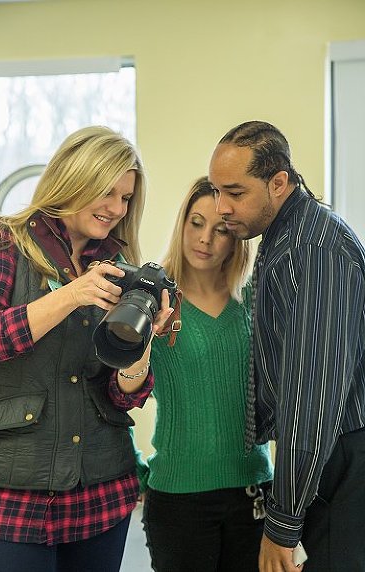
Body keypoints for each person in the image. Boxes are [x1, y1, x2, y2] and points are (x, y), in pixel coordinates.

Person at [0, 125, 174, 572]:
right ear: (74, 177)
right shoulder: (3, 241)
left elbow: (123, 393)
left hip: (102, 490)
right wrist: (72, 294)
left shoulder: (120, 268)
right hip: (14, 492)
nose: (115, 208)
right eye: (105, 191)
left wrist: (141, 344)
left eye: (125, 198)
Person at [209, 120, 365, 572]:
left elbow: (311, 398)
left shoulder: (315, 248)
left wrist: (282, 524)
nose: (222, 208)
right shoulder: (286, 237)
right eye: (217, 192)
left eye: (234, 193)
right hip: (328, 454)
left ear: (279, 183)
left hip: (343, 456)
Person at [141, 176, 274, 571]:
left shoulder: (254, 298)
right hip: (178, 495)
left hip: (251, 489)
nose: (206, 240)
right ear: (182, 223)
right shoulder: (153, 300)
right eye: (196, 223)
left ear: (236, 239)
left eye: (221, 230)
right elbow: (118, 391)